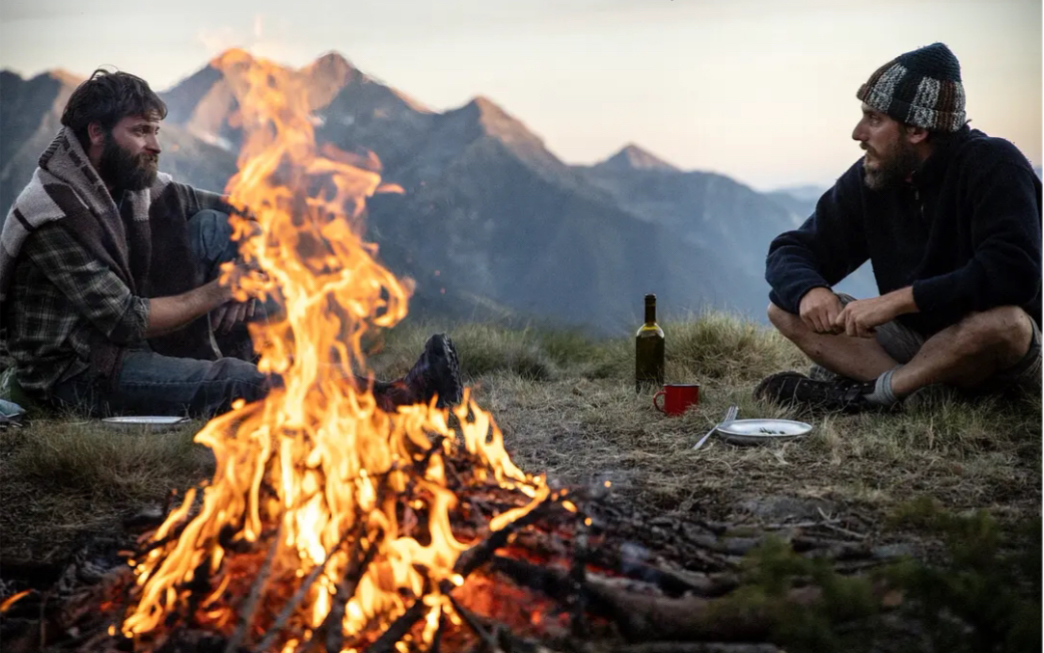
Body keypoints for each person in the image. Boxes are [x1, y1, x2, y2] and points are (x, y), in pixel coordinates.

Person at [0, 69, 461, 418]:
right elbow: (126, 320)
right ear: (96, 134)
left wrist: (252, 259)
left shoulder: (124, 184)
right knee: (233, 382)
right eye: (140, 131)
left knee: (212, 228)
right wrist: (221, 290)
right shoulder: (55, 214)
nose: (155, 145)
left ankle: (259, 351)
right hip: (80, 371)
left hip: (120, 338)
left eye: (156, 131)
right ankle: (392, 399)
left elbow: (236, 211)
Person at [756, 42, 1042, 413]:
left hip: (1000, 350)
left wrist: (895, 302)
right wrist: (810, 290)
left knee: (1004, 322)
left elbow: (1012, 273)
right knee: (785, 306)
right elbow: (791, 250)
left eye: (874, 119)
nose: (858, 133)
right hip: (918, 344)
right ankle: (912, 396)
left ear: (917, 129)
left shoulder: (995, 165)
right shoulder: (874, 179)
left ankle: (872, 395)